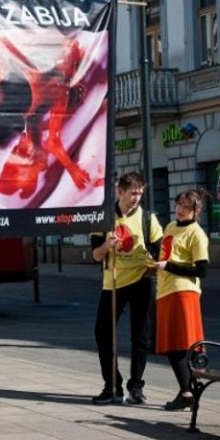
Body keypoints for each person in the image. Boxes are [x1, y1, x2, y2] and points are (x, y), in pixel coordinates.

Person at [91, 172, 162, 405]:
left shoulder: (148, 219)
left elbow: (160, 251)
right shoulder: (105, 218)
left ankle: (137, 386)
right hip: (113, 282)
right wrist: (105, 245)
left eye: (140, 193)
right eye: (133, 193)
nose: (136, 198)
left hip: (141, 280)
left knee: (141, 335)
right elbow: (95, 255)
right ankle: (112, 385)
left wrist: (156, 264)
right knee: (103, 333)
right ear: (120, 192)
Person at [154, 189, 209, 411]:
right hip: (165, 291)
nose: (180, 209)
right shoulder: (170, 227)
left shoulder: (197, 234)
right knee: (171, 345)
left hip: (183, 292)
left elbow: (201, 269)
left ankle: (188, 392)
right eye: (178, 204)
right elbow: (166, 255)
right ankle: (186, 391)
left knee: (181, 345)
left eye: (186, 206)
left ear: (196, 210)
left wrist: (169, 267)